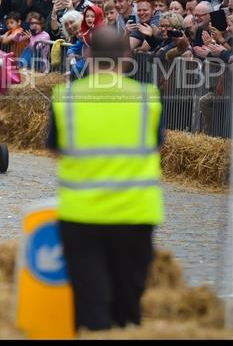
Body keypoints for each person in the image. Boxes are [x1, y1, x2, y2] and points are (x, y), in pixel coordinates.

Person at [48, 26, 164, 332]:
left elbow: (56, 150)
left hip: (81, 214)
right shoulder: (147, 97)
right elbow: (156, 145)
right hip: (136, 213)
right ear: (126, 58)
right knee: (128, 306)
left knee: (89, 303)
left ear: (87, 55)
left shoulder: (66, 97)